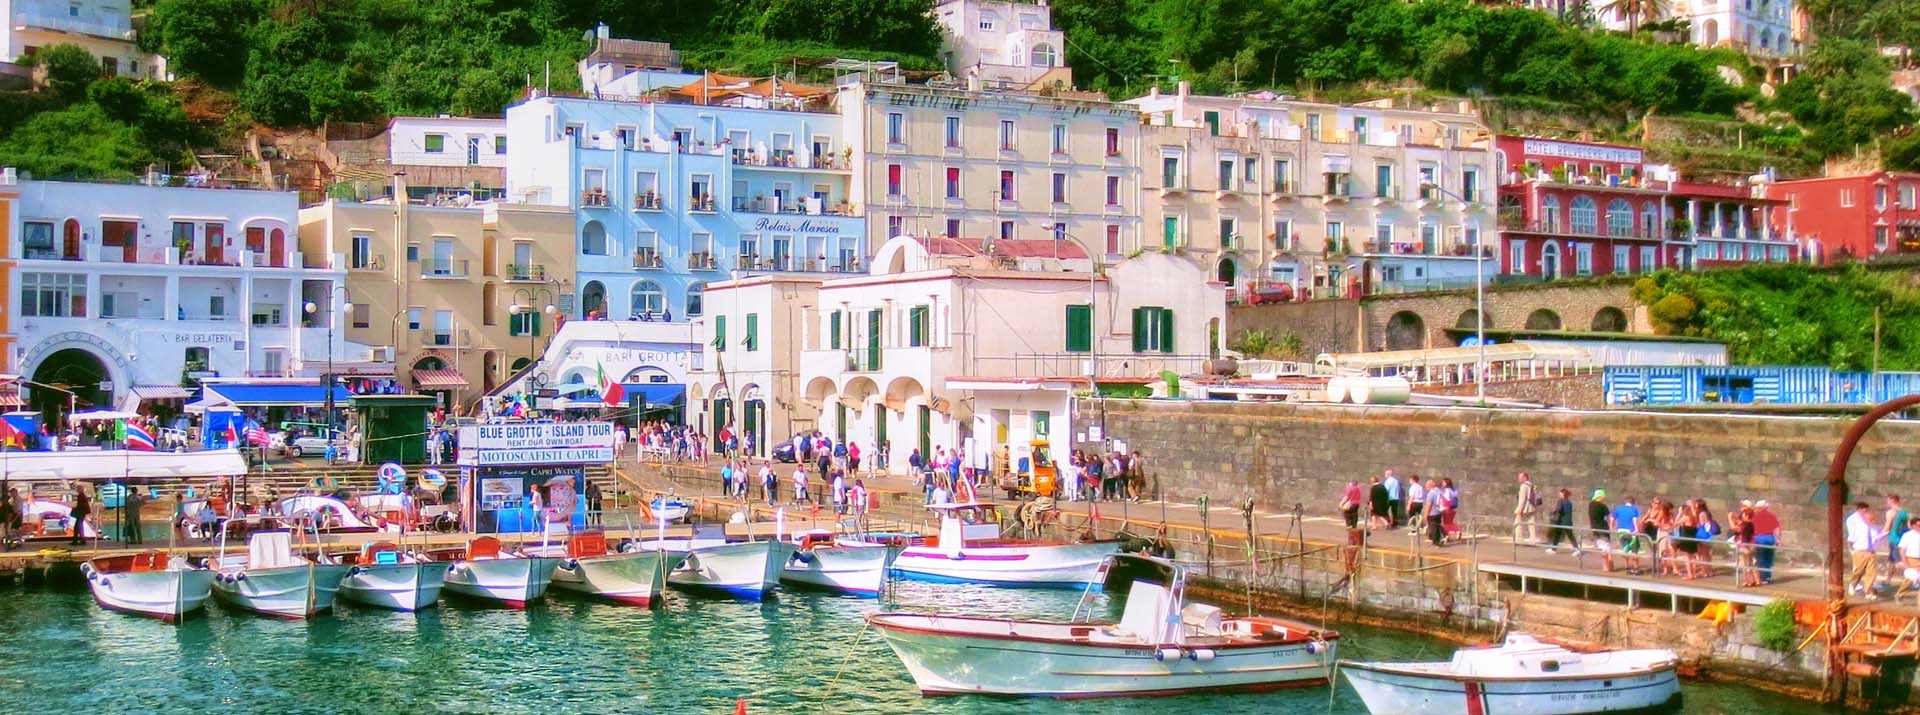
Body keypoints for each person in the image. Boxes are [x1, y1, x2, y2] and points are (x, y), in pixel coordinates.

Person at [1846, 501, 1883, 598]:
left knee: (1871, 572)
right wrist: (1851, 550)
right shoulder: (1856, 524)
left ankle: (1868, 591)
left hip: (1870, 551)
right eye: (1864, 512)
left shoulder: (1874, 527)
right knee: (1858, 571)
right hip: (1860, 550)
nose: (1870, 519)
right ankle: (1853, 584)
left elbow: (1877, 537)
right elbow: (1851, 538)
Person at [1610, 495, 1644, 574]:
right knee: (1634, 550)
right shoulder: (1634, 509)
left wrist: (1612, 527)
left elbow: (1612, 518)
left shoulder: (1619, 508)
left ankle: (1627, 567)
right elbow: (1634, 519)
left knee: (1625, 548)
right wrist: (1637, 530)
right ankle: (1636, 568)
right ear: (1633, 502)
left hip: (1621, 531)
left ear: (1625, 501)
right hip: (1631, 531)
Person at [1751, 499, 1781, 585]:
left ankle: (1761, 577)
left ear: (1759, 507)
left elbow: (1750, 528)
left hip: (1758, 538)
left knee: (1760, 558)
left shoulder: (1754, 516)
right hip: (1770, 538)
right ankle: (1767, 577)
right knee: (1769, 558)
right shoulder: (1772, 515)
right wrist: (1778, 539)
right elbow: (1776, 528)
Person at [1589, 490, 1615, 572]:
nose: (1604, 498)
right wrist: (1611, 526)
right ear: (1600, 497)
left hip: (1595, 529)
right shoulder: (1603, 506)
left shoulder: (1591, 505)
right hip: (1603, 529)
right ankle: (1608, 567)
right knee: (1607, 547)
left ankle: (1606, 566)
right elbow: (1609, 517)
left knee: (1602, 548)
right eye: (1603, 497)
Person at [1546, 488, 1576, 554]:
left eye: (1560, 494)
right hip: (1568, 521)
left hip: (1561, 521)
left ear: (1563, 494)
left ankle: (1554, 549)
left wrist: (1553, 511)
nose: (1559, 495)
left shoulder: (1561, 501)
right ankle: (1554, 549)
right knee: (1567, 535)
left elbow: (1558, 509)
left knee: (1561, 535)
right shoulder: (1569, 502)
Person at [1513, 472, 1540, 544]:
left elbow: (1522, 499)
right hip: (1532, 506)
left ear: (1525, 477)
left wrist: (1519, 509)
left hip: (1525, 507)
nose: (1518, 479)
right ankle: (1533, 539)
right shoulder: (1531, 485)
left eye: (1520, 477)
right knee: (1531, 523)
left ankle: (1519, 539)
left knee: (1517, 523)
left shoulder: (1523, 486)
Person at [1899, 517, 1920, 605]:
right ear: (1913, 526)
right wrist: (1905, 563)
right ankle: (1900, 595)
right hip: (1911, 559)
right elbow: (1902, 550)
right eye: (1918, 525)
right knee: (1910, 580)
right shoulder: (1907, 535)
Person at [1886, 495, 1910, 571]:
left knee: (1899, 562)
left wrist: (1878, 536)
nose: (1887, 503)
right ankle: (1888, 579)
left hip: (1895, 540)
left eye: (1888, 500)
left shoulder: (1891, 512)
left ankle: (1911, 578)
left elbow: (1887, 526)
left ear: (1892, 500)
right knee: (1891, 561)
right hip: (1900, 539)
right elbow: (1909, 526)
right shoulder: (1905, 513)